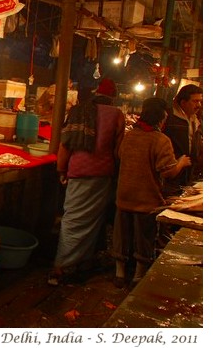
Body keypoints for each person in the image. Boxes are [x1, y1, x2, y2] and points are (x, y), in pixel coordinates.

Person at [48, 78, 125, 286]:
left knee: (74, 217)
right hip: (101, 173)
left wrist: (61, 169)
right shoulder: (117, 115)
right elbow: (119, 150)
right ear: (113, 97)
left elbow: (65, 145)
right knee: (87, 220)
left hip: (77, 170)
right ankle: (62, 265)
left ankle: (80, 262)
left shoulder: (78, 111)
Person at [112, 97, 191, 288]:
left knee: (121, 234)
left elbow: (119, 155)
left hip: (124, 195)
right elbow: (168, 171)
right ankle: (138, 275)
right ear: (162, 117)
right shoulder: (161, 140)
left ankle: (119, 274)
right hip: (146, 199)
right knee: (144, 236)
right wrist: (181, 163)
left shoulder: (129, 136)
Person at [162, 84, 203, 195]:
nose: (199, 105)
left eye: (200, 101)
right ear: (183, 102)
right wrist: (176, 164)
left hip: (189, 175)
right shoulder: (168, 117)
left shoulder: (196, 119)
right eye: (195, 101)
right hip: (170, 175)